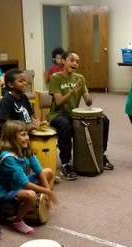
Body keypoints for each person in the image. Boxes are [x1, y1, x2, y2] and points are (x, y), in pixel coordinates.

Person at [47, 50, 114, 181]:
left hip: (74, 114)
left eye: (77, 61)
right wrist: (73, 91)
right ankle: (66, 163)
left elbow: (87, 101)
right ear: (63, 61)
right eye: (72, 60)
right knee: (65, 125)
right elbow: (59, 102)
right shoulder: (56, 78)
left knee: (103, 120)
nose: (75, 63)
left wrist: (89, 98)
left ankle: (101, 154)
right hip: (58, 114)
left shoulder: (79, 78)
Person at [0, 120, 58, 234]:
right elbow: (25, 183)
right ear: (11, 138)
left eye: (27, 134)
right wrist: (48, 192)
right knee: (31, 194)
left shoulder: (25, 150)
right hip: (4, 191)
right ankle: (17, 221)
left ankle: (28, 204)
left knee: (48, 172)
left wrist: (47, 190)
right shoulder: (8, 157)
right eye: (23, 135)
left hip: (17, 185)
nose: (28, 138)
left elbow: (39, 170)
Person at [0, 69, 41, 136]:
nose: (25, 83)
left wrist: (38, 124)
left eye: (25, 80)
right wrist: (28, 127)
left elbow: (31, 118)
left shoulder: (24, 97)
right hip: (13, 137)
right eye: (21, 81)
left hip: (26, 133)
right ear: (11, 84)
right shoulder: (5, 101)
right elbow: (5, 127)